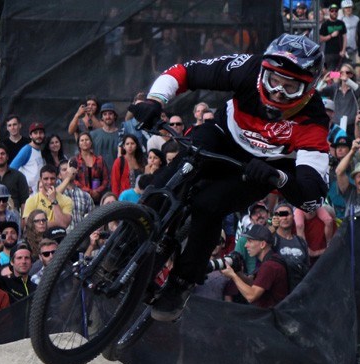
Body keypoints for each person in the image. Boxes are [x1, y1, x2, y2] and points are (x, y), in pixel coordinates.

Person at [130, 33, 329, 321]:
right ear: (263, 72)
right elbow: (185, 72)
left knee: (210, 205)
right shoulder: (247, 68)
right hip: (223, 135)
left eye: (291, 88)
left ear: (309, 90)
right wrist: (154, 100)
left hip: (261, 168)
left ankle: (182, 282)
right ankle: (131, 236)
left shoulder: (314, 119)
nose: (278, 93)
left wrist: (279, 179)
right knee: (177, 170)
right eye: (274, 81)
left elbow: (312, 193)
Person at [219, 225, 289, 309]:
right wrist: (238, 273)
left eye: (250, 241)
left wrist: (233, 276)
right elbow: (253, 283)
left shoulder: (269, 266)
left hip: (273, 317)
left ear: (262, 244)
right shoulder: (271, 260)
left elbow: (251, 296)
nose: (245, 245)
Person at [0, 143, 29, 214]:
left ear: (7, 157)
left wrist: (23, 220)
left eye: (3, 154)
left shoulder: (18, 176)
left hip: (14, 214)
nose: (0, 156)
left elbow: (24, 201)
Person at [55, 159, 95, 231]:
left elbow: (93, 219)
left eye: (70, 169)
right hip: (61, 237)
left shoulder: (85, 196)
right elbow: (52, 197)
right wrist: (68, 177)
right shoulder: (55, 190)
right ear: (59, 175)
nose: (68, 171)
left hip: (80, 237)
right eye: (64, 170)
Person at [9, 122, 46, 193]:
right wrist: (22, 187)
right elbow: (11, 170)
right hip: (29, 196)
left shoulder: (39, 149)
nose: (38, 135)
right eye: (35, 133)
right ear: (30, 135)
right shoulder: (27, 150)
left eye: (41, 133)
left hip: (39, 194)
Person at [74, 132, 110, 204]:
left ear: (91, 143)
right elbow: (74, 180)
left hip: (99, 197)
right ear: (78, 144)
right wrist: (89, 191)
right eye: (82, 140)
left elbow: (106, 179)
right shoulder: (75, 160)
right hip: (81, 198)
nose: (84, 142)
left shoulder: (99, 159)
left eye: (87, 140)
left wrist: (97, 191)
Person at [89, 102, 120, 170]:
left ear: (115, 116)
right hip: (97, 175)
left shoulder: (122, 135)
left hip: (116, 174)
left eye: (110, 114)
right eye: (105, 114)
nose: (108, 117)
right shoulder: (93, 135)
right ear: (102, 117)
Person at [319, 4, 347, 71]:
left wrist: (343, 50)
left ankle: (337, 81)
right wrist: (331, 35)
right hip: (329, 53)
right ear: (329, 12)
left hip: (340, 52)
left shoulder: (341, 23)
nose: (334, 12)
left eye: (336, 11)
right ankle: (334, 81)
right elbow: (321, 39)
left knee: (342, 70)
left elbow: (345, 38)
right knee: (331, 72)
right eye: (332, 11)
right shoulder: (325, 24)